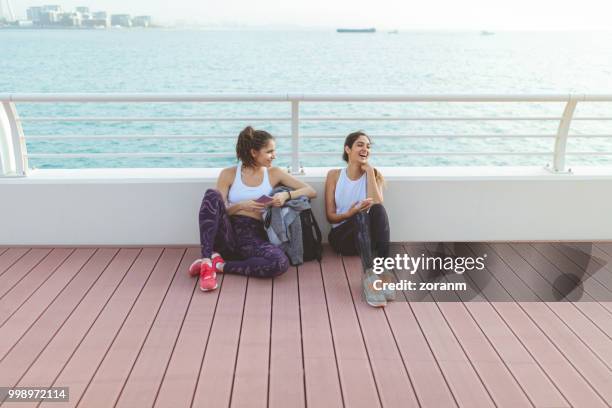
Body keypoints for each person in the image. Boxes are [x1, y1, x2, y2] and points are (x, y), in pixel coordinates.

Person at [189, 126, 317, 291]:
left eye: (274, 151)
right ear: (254, 152)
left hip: (253, 236)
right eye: (269, 151)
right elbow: (218, 212)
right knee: (212, 195)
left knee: (280, 262)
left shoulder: (274, 173)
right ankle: (206, 261)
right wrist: (242, 205)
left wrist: (286, 196)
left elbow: (311, 191)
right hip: (227, 233)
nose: (274, 156)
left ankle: (220, 266)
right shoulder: (228, 174)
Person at [324, 131, 392, 307]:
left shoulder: (372, 174)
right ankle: (369, 278)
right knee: (361, 214)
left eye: (368, 146)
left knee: (378, 210)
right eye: (360, 145)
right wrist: (351, 212)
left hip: (366, 241)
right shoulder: (334, 175)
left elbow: (377, 202)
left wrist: (369, 172)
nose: (365, 149)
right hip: (342, 238)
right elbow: (330, 216)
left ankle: (382, 271)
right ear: (348, 149)